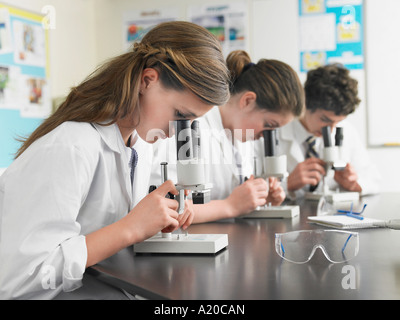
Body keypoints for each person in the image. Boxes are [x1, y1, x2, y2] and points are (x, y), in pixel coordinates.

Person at [0, 21, 230, 299]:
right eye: (180, 116)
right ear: (147, 80)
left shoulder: (138, 146)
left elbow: (103, 234)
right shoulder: (71, 146)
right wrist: (131, 228)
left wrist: (150, 224)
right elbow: (19, 279)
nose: (174, 134)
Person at [150, 50, 304, 224]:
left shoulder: (243, 138)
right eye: (269, 125)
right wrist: (230, 205)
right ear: (247, 101)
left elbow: (237, 198)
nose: (264, 136)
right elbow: (163, 205)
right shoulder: (189, 122)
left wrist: (259, 198)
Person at [277, 63, 381, 199]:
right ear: (305, 103)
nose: (331, 130)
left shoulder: (347, 130)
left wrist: (354, 183)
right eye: (325, 120)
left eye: (337, 122)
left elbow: (374, 180)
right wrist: (287, 184)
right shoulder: (275, 132)